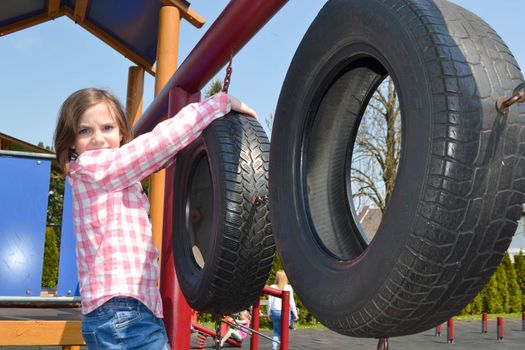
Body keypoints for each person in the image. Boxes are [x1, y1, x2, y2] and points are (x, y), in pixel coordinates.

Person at [53, 87, 256, 349]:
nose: (98, 139)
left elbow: (159, 158)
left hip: (119, 312)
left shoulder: (100, 175)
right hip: (123, 312)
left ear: (121, 132)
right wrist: (217, 105)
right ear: (70, 141)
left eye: (107, 128)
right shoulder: (95, 167)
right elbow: (155, 146)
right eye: (85, 131)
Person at [267, 270, 299, 350]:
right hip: (285, 312)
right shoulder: (288, 287)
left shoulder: (272, 287)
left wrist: (269, 313)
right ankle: (283, 347)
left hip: (275, 311)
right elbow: (291, 302)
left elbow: (269, 302)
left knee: (276, 331)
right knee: (284, 332)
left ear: (277, 277)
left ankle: (274, 348)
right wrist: (295, 314)